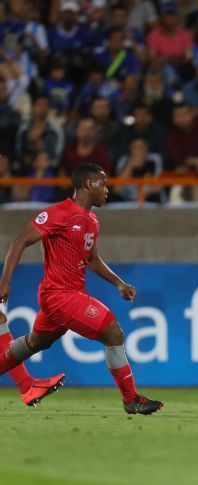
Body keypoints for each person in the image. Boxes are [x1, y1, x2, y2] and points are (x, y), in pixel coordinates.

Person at [0, 163, 163, 415]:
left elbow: (92, 260)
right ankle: (131, 399)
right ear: (89, 184)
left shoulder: (92, 221)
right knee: (114, 334)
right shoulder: (58, 213)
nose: (107, 189)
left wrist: (119, 282)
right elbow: (19, 242)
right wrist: (5, 282)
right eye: (104, 183)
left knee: (35, 342)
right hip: (60, 296)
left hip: (66, 296)